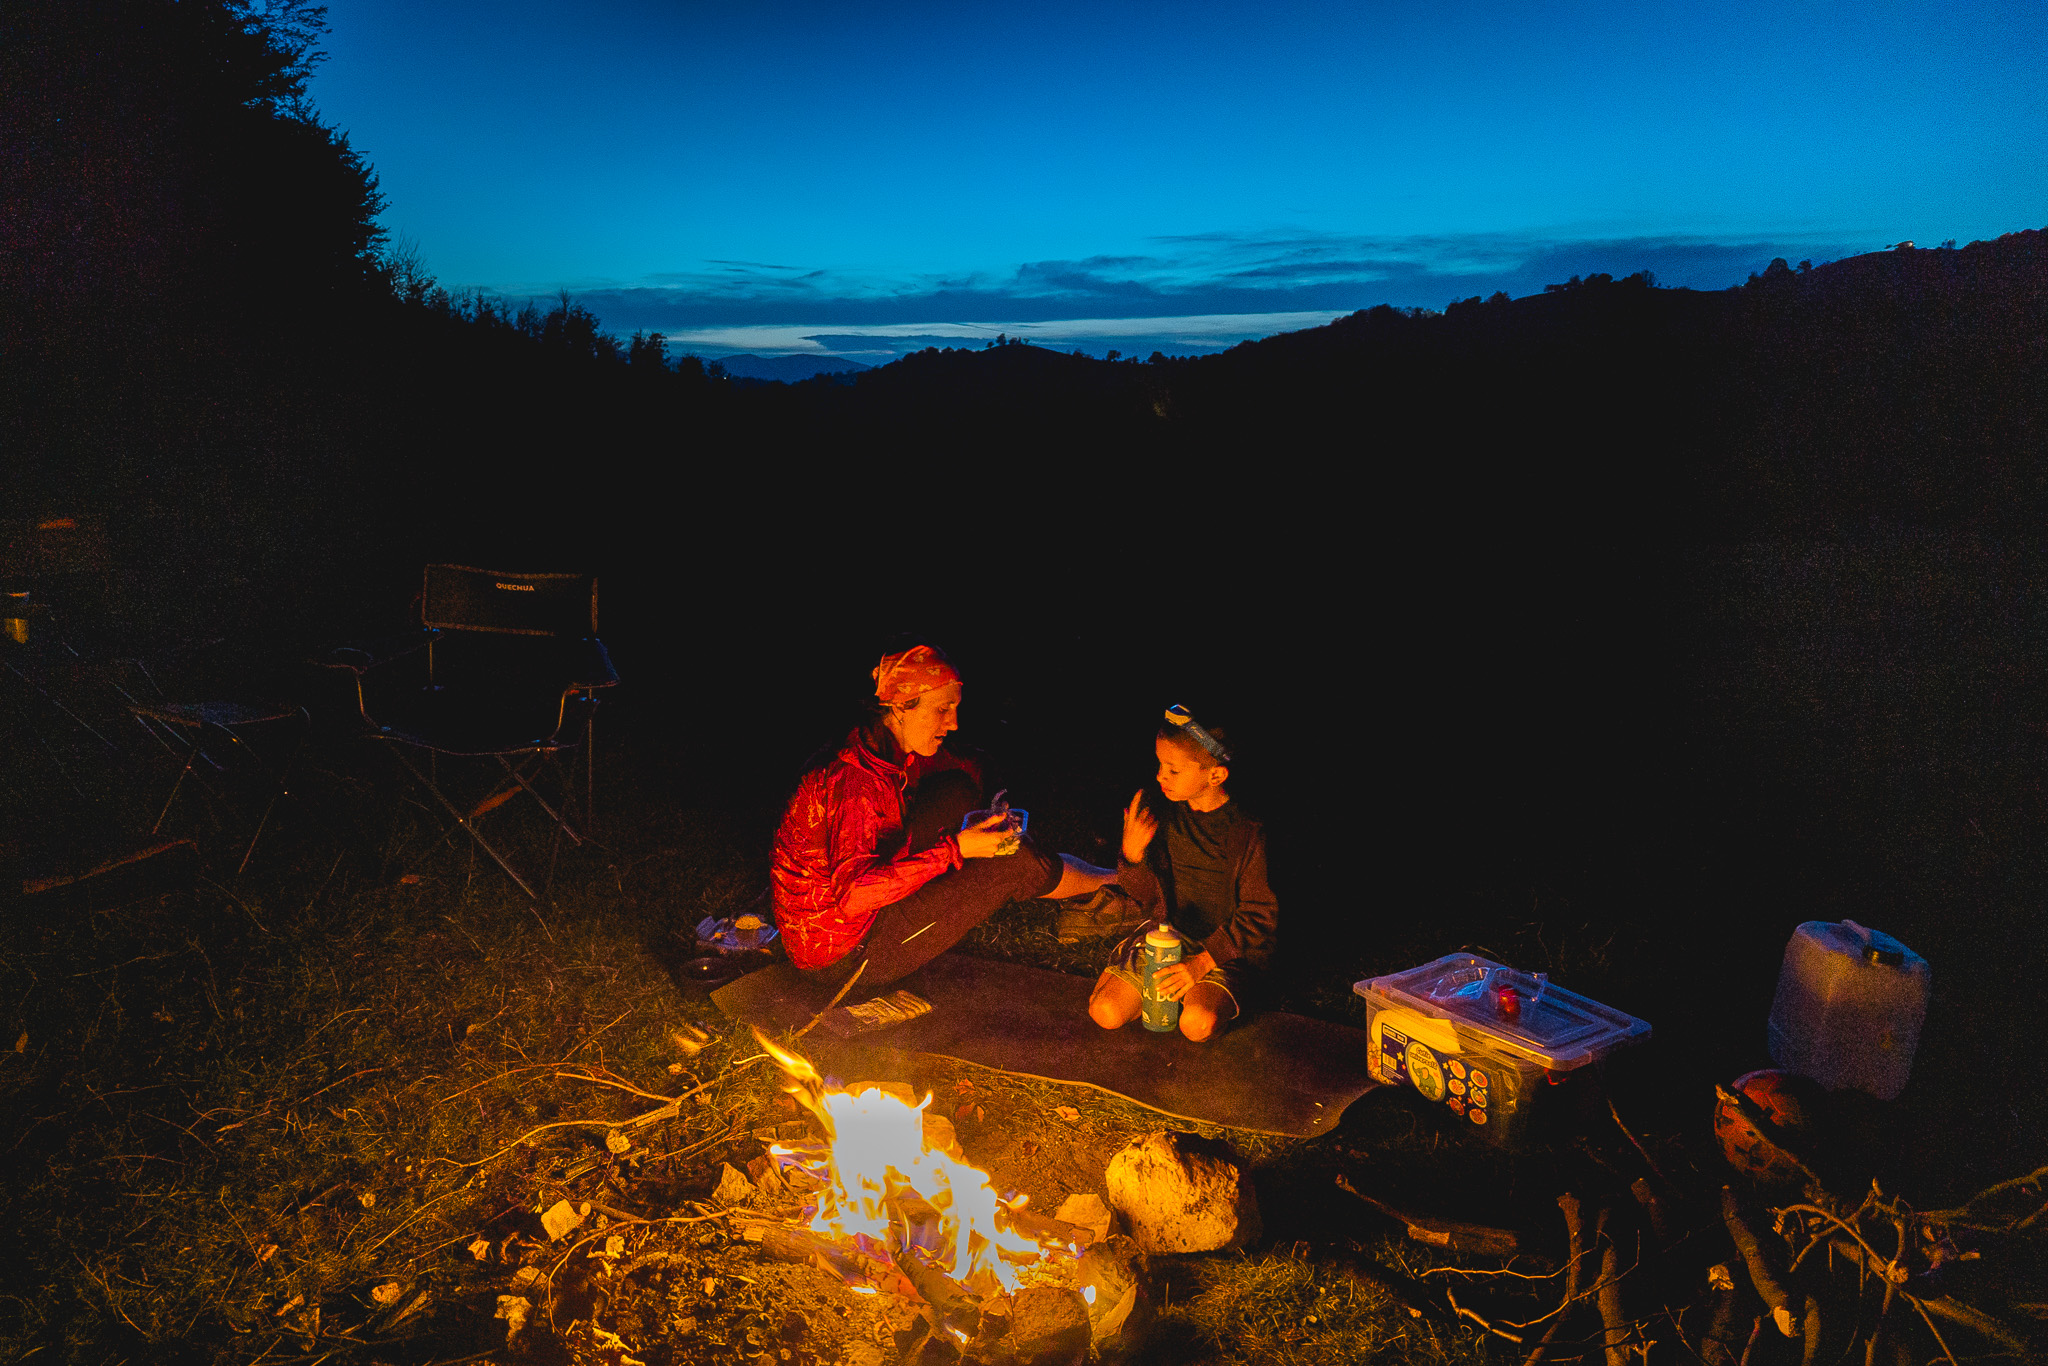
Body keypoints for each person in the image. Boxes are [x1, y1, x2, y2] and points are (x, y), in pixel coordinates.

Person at [771, 644, 1117, 989]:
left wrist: (997, 799)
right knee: (1013, 860)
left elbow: (969, 761)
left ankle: (1102, 884)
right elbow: (854, 897)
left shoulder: (879, 745)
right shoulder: (856, 783)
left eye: (954, 708)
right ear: (902, 706)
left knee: (958, 790)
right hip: (845, 953)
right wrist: (955, 850)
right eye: (942, 709)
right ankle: (1114, 885)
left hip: (859, 912)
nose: (952, 723)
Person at [1088, 708, 1277, 1041]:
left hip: (1223, 949)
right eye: (1160, 765)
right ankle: (1160, 989)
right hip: (1168, 935)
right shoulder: (1163, 814)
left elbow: (1260, 915)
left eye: (1173, 770)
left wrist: (1203, 963)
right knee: (1106, 1012)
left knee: (1197, 1024)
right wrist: (1132, 857)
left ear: (1216, 776)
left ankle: (1205, 996)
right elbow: (1146, 896)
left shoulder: (1248, 832)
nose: (1161, 777)